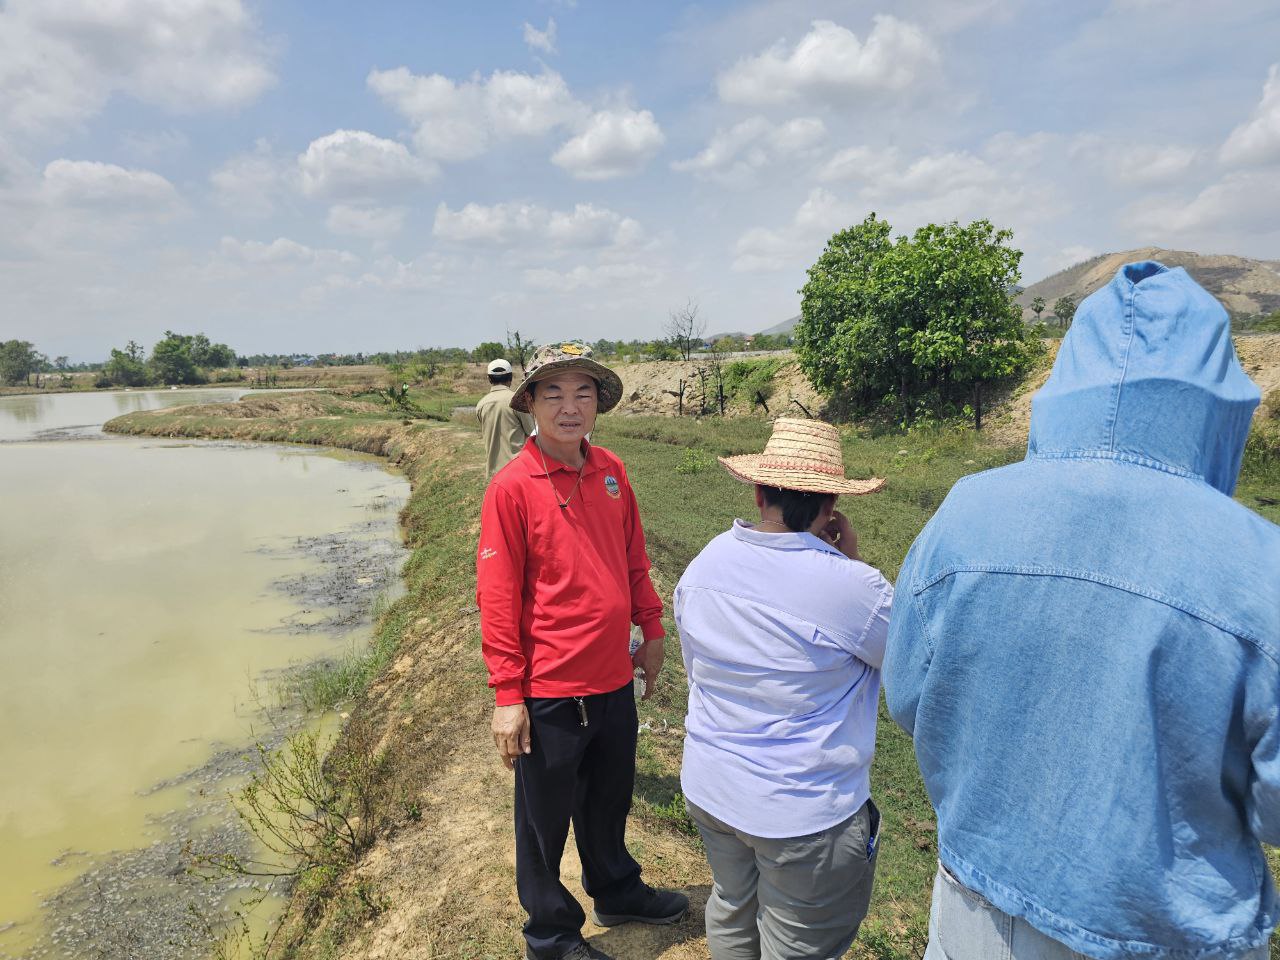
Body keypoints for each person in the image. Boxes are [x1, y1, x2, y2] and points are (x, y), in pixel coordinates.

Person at [883, 262, 1280, 959]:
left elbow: (908, 698)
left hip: (976, 910)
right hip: (1158, 935)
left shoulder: (966, 511)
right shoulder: (1259, 564)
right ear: (1220, 405)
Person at [476, 341, 688, 960]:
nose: (569, 408)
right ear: (530, 403)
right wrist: (507, 695)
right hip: (550, 687)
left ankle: (616, 890)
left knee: (609, 797)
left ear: (598, 404)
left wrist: (652, 629)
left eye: (582, 393)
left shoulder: (612, 470)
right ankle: (550, 936)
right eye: (554, 394)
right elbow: (497, 596)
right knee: (543, 824)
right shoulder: (512, 487)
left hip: (612, 676)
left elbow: (633, 558)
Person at [674, 417, 892, 960]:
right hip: (802, 811)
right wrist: (851, 562)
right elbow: (902, 657)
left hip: (713, 785)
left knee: (731, 904)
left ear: (758, 492)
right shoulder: (854, 587)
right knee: (798, 942)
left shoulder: (705, 563)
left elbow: (696, 672)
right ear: (831, 505)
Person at [476, 357, 535, 476]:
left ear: (489, 379)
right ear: (511, 378)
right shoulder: (516, 401)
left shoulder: (481, 404)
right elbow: (532, 432)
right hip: (517, 468)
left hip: (494, 472)